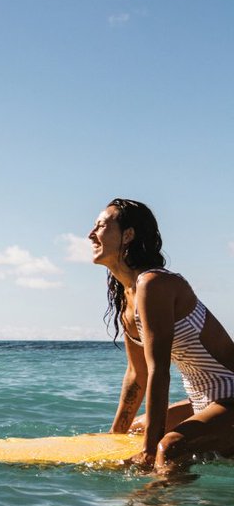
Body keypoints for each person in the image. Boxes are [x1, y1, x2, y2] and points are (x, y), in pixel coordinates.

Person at [88, 198, 234, 471]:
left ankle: (161, 499)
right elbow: (137, 374)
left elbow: (158, 370)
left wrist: (150, 449)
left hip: (230, 396)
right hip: (203, 401)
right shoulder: (127, 299)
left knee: (169, 449)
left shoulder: (154, 284)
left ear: (128, 235)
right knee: (134, 431)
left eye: (101, 226)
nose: (91, 234)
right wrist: (115, 436)